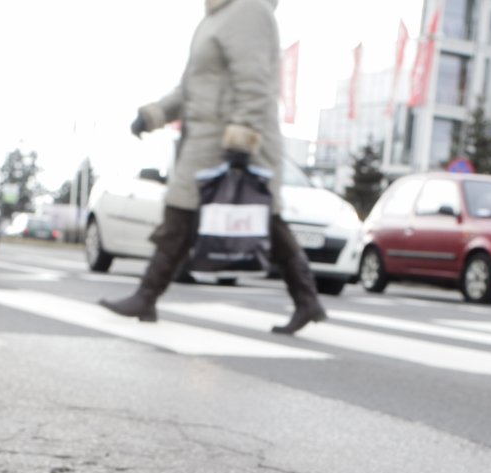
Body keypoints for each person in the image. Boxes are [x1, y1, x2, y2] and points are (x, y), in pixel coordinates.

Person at [101, 0, 326, 336]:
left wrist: (242, 139)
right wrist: (153, 115)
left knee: (260, 217)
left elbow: (255, 83)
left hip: (233, 141)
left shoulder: (249, 9)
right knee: (181, 215)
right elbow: (191, 89)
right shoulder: (215, 17)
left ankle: (307, 300)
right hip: (205, 140)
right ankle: (146, 296)